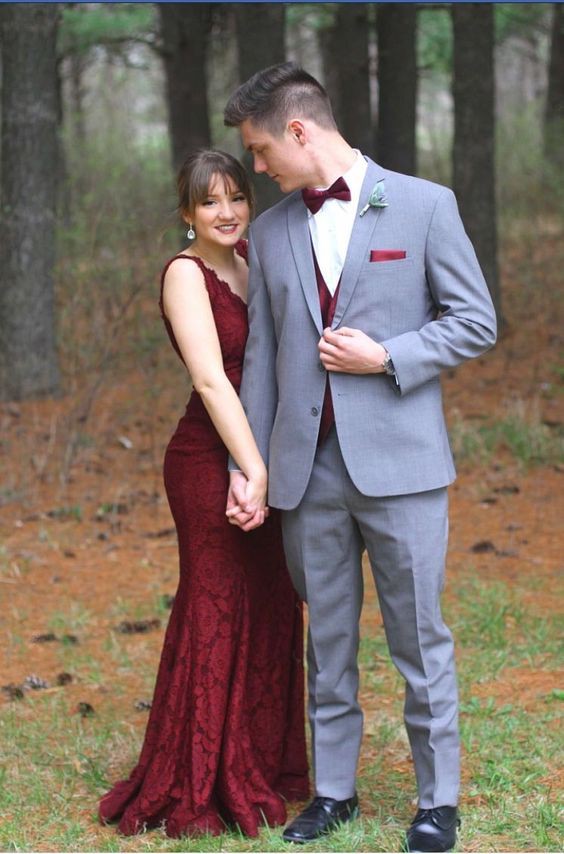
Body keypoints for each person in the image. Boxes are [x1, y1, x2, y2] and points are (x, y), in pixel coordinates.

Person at [223, 63, 497, 852]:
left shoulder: (423, 205)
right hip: (308, 476)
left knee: (420, 638)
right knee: (328, 642)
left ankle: (436, 802)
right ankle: (333, 791)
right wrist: (254, 465)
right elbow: (264, 362)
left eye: (262, 150)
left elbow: (475, 320)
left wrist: (387, 356)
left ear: (300, 131)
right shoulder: (271, 233)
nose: (260, 169)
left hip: (403, 469)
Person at [98, 149, 309, 839]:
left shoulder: (253, 260)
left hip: (264, 460)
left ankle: (263, 763)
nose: (227, 212)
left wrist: (269, 467)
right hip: (207, 459)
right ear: (186, 212)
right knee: (216, 606)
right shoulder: (185, 275)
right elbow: (214, 382)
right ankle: (200, 775)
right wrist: (250, 470)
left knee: (273, 604)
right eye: (210, 201)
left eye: (237, 198)